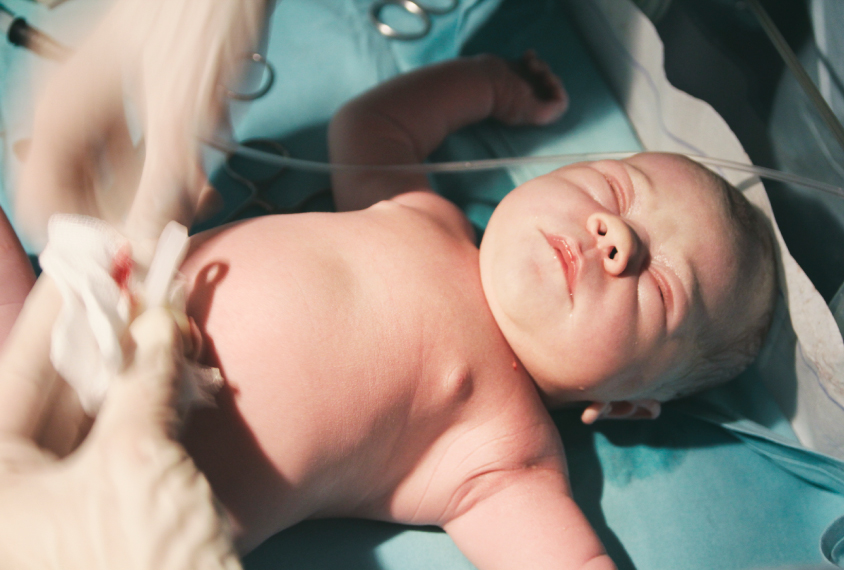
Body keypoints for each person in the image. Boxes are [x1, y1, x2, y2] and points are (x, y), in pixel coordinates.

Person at [175, 51, 777, 569]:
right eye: (614, 190)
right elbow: (374, 123)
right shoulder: (422, 212)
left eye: (663, 290)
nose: (616, 236)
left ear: (624, 403)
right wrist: (491, 84)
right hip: (104, 294)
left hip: (143, 478)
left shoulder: (507, 457)